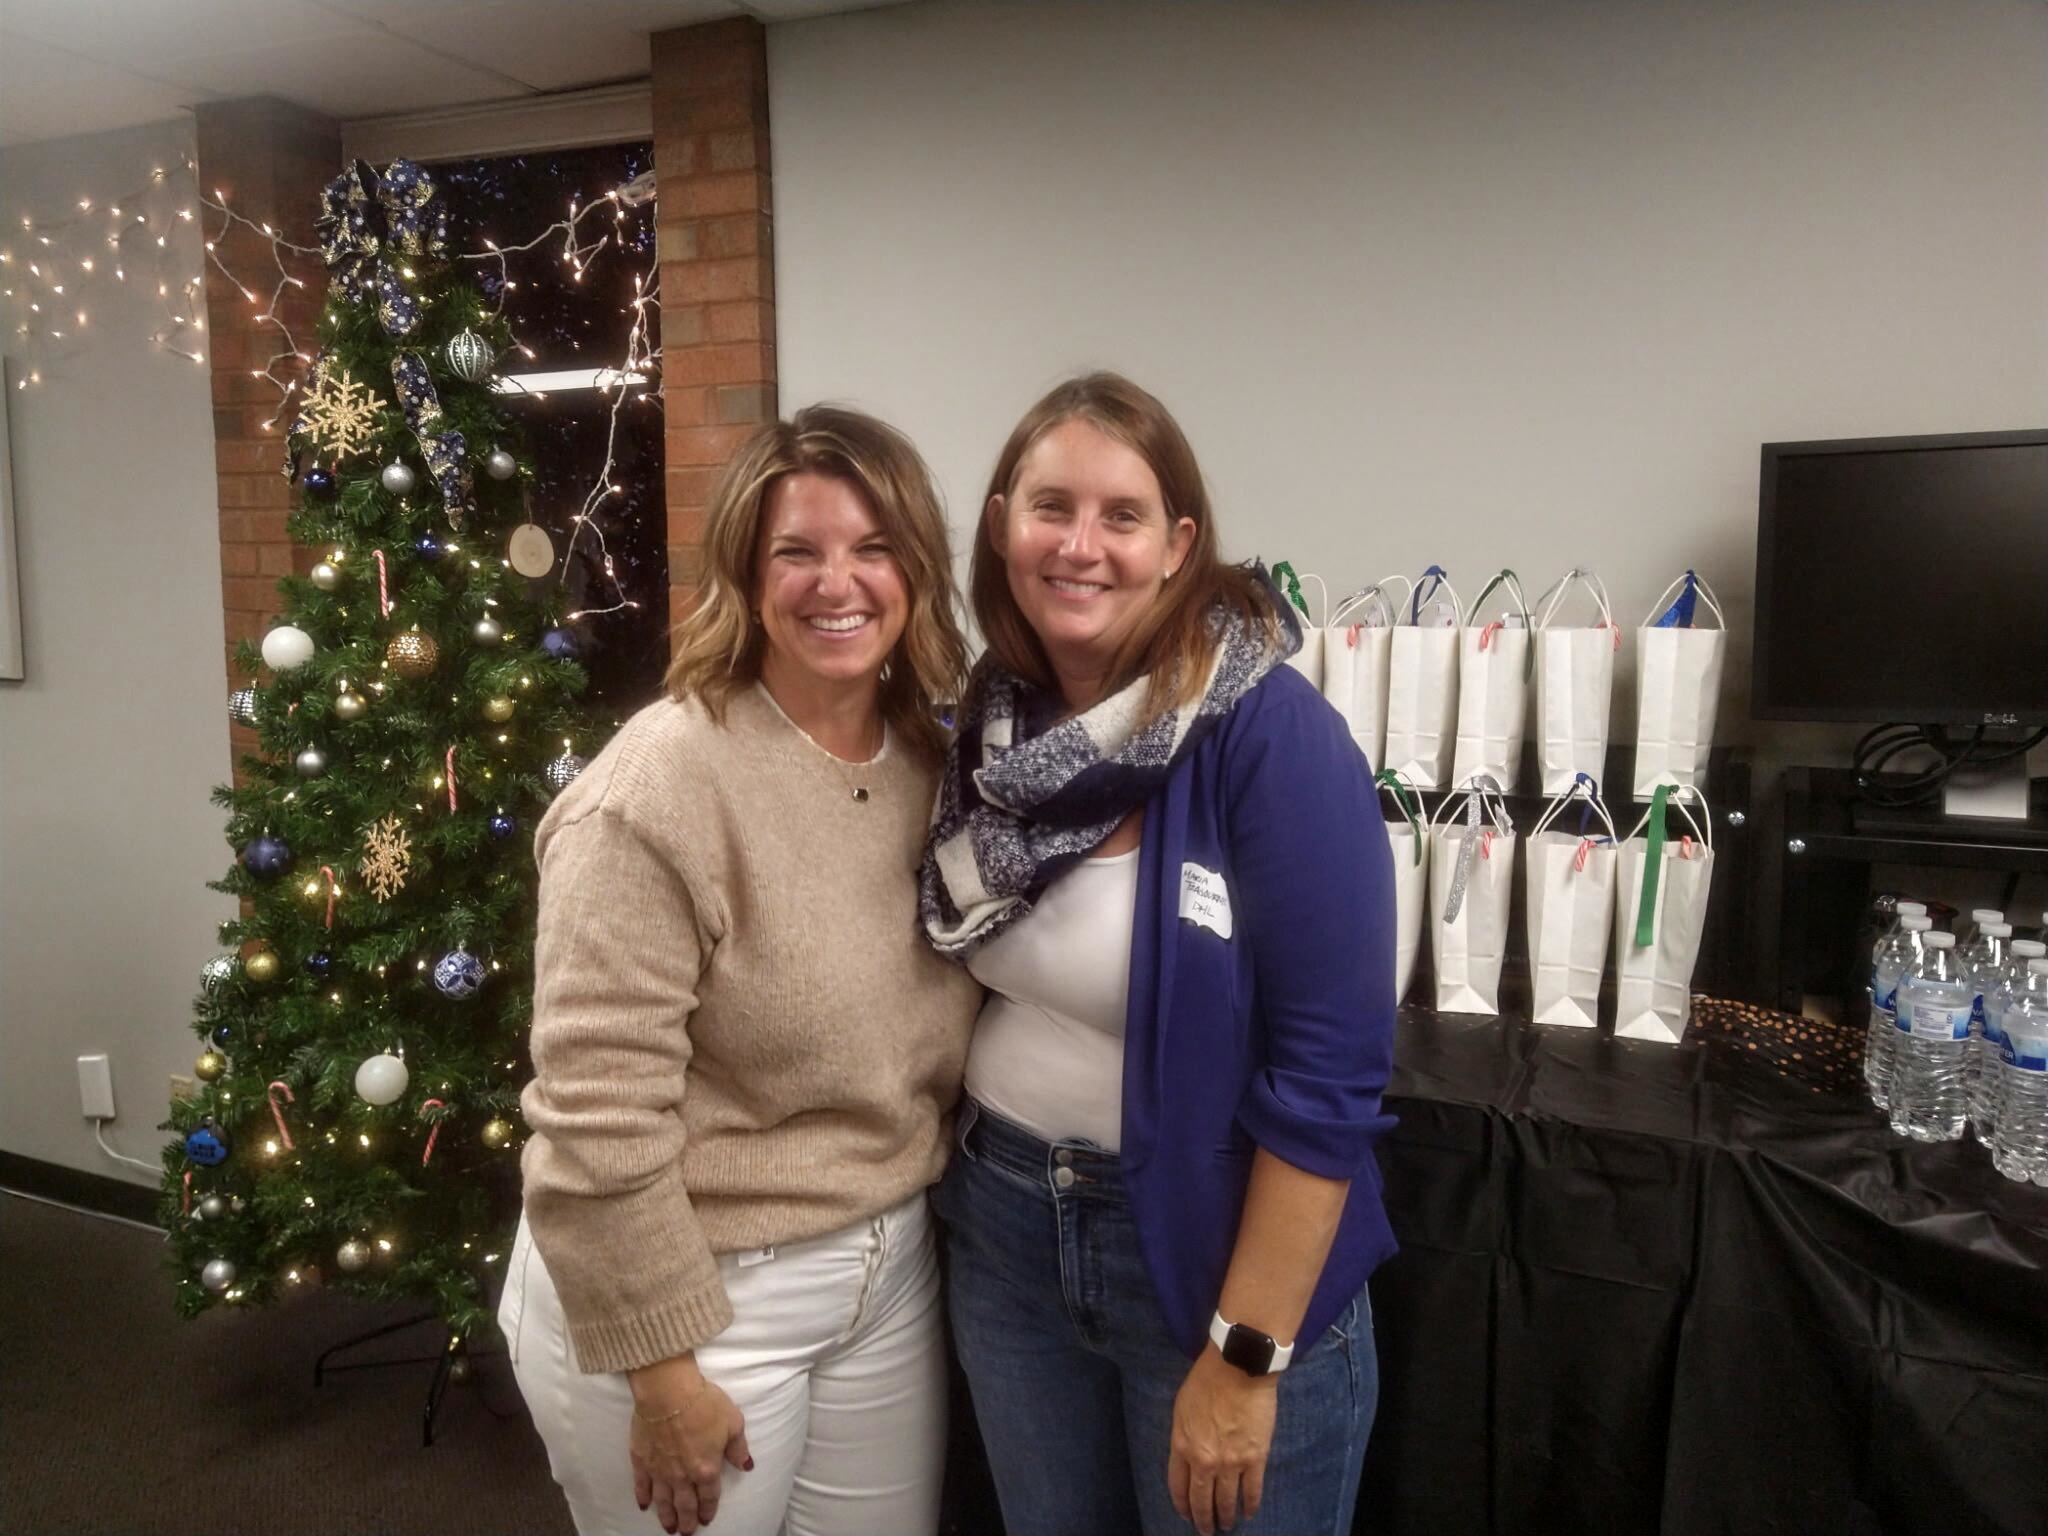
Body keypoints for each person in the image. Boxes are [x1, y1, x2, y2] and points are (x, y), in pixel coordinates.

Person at [920, 373, 1398, 1536]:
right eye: (1050, 507)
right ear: (1001, 525)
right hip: (1005, 1237)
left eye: (1121, 516)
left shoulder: (1269, 735)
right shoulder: (991, 726)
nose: (1079, 546)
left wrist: (1243, 1355)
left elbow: (1329, 1082)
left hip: (1211, 1261)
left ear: (1178, 546)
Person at [501, 406, 984, 1536]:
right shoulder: (659, 788)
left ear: (915, 570)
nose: (837, 583)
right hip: (696, 1292)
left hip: (883, 1273)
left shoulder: (931, 760)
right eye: (796, 552)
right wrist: (662, 1368)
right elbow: (594, 1115)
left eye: (873, 549)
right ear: (745, 576)